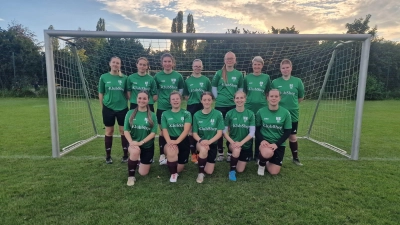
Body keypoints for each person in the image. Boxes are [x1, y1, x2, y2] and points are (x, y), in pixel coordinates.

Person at [271, 59, 305, 166]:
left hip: (293, 113)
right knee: (276, 135)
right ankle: (273, 157)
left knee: (292, 136)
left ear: (291, 68)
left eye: (287, 67)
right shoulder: (275, 82)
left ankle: (295, 158)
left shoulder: (297, 81)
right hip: (279, 114)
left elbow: (300, 97)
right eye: (283, 68)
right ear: (280, 69)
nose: (285, 70)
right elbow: (272, 97)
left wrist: (292, 106)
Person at [211, 51, 244, 162]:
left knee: (232, 130)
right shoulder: (219, 73)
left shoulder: (239, 74)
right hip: (220, 105)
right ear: (224, 60)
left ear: (235, 60)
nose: (229, 60)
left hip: (232, 106)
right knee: (220, 130)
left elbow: (240, 90)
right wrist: (218, 97)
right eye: (227, 58)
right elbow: (214, 87)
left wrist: (236, 101)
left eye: (231, 58)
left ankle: (230, 152)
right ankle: (220, 152)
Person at [154, 53, 185, 165]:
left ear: (173, 63)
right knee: (163, 132)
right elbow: (155, 91)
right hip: (162, 108)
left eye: (169, 61)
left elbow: (180, 90)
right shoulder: (157, 76)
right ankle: (162, 154)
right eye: (165, 61)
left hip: (175, 109)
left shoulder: (178, 76)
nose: (167, 63)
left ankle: (174, 149)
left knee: (176, 129)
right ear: (162, 63)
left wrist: (176, 101)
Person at [98, 56, 129, 164]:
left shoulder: (124, 78)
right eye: (114, 62)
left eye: (118, 63)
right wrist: (103, 107)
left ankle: (125, 156)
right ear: (110, 64)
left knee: (123, 132)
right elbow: (101, 93)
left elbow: (127, 94)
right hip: (108, 108)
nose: (115, 64)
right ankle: (108, 156)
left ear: (120, 65)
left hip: (123, 108)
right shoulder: (104, 77)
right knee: (109, 131)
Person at [124, 91, 158, 186]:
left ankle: (139, 160)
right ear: (136, 99)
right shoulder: (130, 113)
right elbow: (126, 130)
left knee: (143, 173)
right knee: (135, 151)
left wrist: (141, 142)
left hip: (147, 146)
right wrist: (131, 142)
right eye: (139, 98)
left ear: (148, 100)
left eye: (144, 98)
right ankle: (131, 177)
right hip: (134, 143)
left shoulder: (152, 115)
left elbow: (153, 133)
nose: (141, 100)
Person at [255, 89, 292, 175]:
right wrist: (262, 140)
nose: (273, 98)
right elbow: (256, 129)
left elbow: (287, 131)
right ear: (267, 98)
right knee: (267, 152)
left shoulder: (286, 113)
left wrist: (277, 144)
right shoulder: (261, 112)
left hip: (278, 144)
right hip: (265, 143)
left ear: (280, 98)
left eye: (276, 96)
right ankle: (262, 164)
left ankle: (264, 159)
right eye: (271, 96)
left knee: (274, 172)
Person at [183, 59, 212, 164]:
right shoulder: (187, 80)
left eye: (199, 66)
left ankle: (201, 150)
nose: (197, 68)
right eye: (195, 66)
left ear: (202, 67)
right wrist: (192, 101)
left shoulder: (206, 80)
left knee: (201, 128)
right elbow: (186, 95)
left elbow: (209, 94)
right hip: (191, 106)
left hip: (202, 106)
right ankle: (193, 154)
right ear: (192, 67)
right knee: (191, 130)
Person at [192, 92, 224, 183]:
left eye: (209, 100)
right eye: (204, 100)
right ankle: (200, 173)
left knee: (209, 171)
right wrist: (202, 141)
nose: (207, 102)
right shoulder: (196, 115)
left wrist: (209, 142)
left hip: (212, 143)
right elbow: (194, 133)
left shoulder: (218, 114)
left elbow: (219, 133)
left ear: (212, 101)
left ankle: (201, 159)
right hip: (200, 142)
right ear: (201, 101)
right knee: (204, 149)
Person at [243, 56, 271, 161]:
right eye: (255, 64)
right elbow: (244, 92)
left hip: (262, 108)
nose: (257, 66)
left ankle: (258, 155)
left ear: (262, 66)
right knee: (249, 131)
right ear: (252, 65)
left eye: (259, 64)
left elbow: (268, 92)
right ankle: (248, 154)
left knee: (259, 131)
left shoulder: (266, 77)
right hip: (249, 107)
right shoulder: (247, 78)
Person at [223, 91, 255, 181]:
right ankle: (232, 171)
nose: (239, 100)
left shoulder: (250, 114)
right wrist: (233, 142)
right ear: (234, 100)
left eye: (241, 98)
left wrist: (241, 143)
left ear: (245, 99)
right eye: (237, 98)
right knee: (236, 150)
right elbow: (224, 132)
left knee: (240, 170)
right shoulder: (229, 114)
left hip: (245, 145)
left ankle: (235, 158)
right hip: (233, 143)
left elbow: (252, 132)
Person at [161, 91, 192, 182]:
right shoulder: (165, 114)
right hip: (170, 139)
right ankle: (173, 175)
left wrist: (177, 141)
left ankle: (168, 161)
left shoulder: (186, 113)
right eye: (173, 99)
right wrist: (170, 142)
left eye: (177, 99)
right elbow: (164, 130)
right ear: (170, 101)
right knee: (172, 151)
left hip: (183, 140)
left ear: (181, 100)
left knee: (179, 168)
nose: (175, 101)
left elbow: (186, 130)